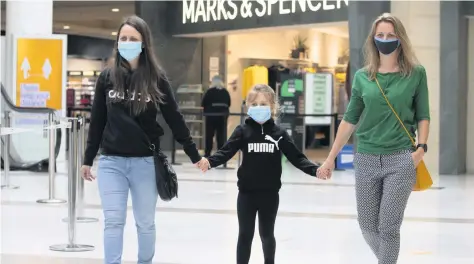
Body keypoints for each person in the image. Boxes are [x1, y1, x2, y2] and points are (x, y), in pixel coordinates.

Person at [80, 15, 205, 264]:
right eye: (123, 38)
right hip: (111, 162)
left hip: (145, 163)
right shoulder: (106, 78)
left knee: (145, 223)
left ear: (144, 43)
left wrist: (194, 154)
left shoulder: (156, 79)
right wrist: (87, 158)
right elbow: (97, 121)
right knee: (113, 221)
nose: (127, 42)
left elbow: (174, 118)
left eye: (133, 39)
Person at [317, 13, 430, 264]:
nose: (385, 39)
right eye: (380, 35)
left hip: (401, 158)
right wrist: (329, 159)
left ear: (400, 39)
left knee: (388, 227)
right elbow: (349, 120)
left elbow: (423, 115)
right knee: (368, 226)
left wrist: (421, 149)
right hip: (366, 158)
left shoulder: (416, 74)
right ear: (372, 38)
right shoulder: (362, 77)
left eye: (391, 35)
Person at [198, 84, 325, 264]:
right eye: (254, 104)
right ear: (248, 106)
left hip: (269, 195)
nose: (259, 108)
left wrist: (315, 171)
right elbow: (226, 151)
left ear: (272, 107)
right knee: (245, 236)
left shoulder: (279, 134)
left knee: (267, 235)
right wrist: (209, 162)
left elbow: (297, 158)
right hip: (246, 194)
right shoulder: (242, 131)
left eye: (264, 103)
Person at [201, 75, 231, 157]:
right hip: (222, 116)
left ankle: (207, 153)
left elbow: (203, 103)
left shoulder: (210, 92)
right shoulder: (225, 92)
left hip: (211, 116)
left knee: (209, 135)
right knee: (221, 135)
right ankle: (221, 154)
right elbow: (229, 103)